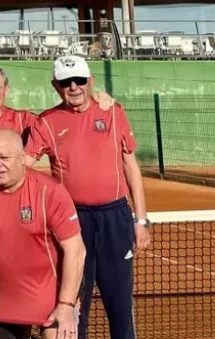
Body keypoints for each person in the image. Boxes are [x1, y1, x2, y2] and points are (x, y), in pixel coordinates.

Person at [26, 57, 150, 339]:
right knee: (73, 302)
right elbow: (23, 166)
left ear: (90, 81)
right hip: (72, 222)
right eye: (66, 82)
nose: (74, 87)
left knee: (120, 303)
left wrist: (141, 219)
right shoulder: (45, 122)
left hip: (115, 218)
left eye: (80, 80)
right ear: (55, 86)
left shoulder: (113, 111)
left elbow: (131, 166)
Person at [0, 129, 85, 339]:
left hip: (52, 300)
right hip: (0, 303)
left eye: (4, 157)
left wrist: (66, 305)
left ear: (22, 158)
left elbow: (76, 252)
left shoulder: (50, 192)